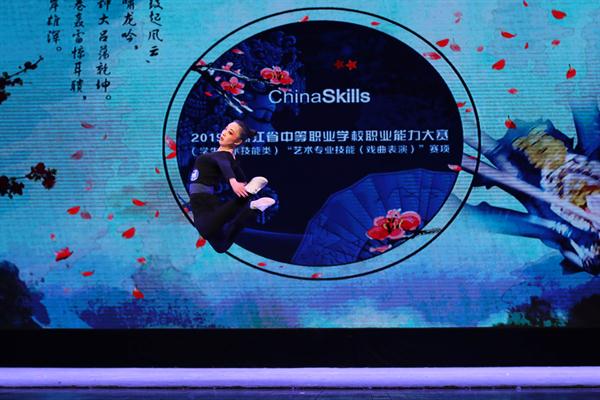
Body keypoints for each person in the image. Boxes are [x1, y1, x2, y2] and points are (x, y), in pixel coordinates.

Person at [189, 120, 275, 253]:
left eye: (230, 132)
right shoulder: (225, 157)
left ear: (238, 141)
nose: (224, 133)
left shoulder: (223, 156)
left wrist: (233, 181)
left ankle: (247, 199)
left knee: (206, 231)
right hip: (208, 202)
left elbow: (224, 165)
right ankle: (252, 208)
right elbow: (239, 176)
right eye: (225, 129)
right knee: (220, 246)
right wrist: (243, 185)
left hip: (202, 201)